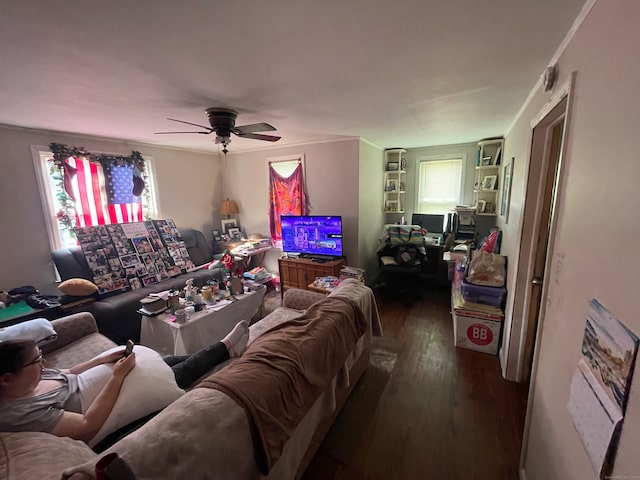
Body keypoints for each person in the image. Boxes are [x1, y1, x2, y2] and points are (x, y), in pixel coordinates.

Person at [0, 320, 250, 443]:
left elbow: (71, 371)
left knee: (165, 361)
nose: (43, 365)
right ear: (7, 378)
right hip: (110, 401)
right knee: (174, 374)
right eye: (36, 361)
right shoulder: (22, 413)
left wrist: (102, 360)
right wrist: (118, 376)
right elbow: (87, 426)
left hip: (107, 379)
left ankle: (224, 351)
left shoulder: (33, 377)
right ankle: (225, 346)